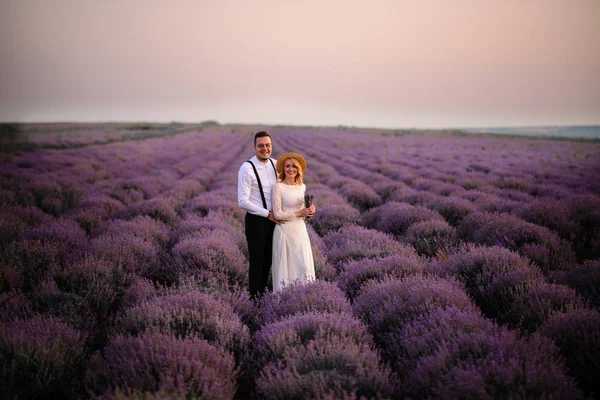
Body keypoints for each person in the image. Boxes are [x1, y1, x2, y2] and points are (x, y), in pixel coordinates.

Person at [238, 131, 282, 298]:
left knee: (270, 262)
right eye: (261, 146)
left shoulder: (276, 165)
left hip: (275, 220)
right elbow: (242, 201)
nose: (265, 149)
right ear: (254, 147)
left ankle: (264, 296)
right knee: (257, 263)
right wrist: (266, 214)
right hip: (257, 221)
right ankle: (255, 301)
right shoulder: (246, 168)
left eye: (268, 145)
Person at [271, 152, 317, 292]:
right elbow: (278, 213)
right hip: (284, 231)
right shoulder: (278, 187)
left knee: (303, 265)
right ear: (283, 169)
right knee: (286, 268)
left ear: (299, 169)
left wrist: (310, 211)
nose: (291, 169)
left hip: (299, 231)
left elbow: (303, 209)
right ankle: (284, 301)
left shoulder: (302, 186)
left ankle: (305, 298)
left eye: (294, 167)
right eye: (288, 166)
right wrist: (299, 213)